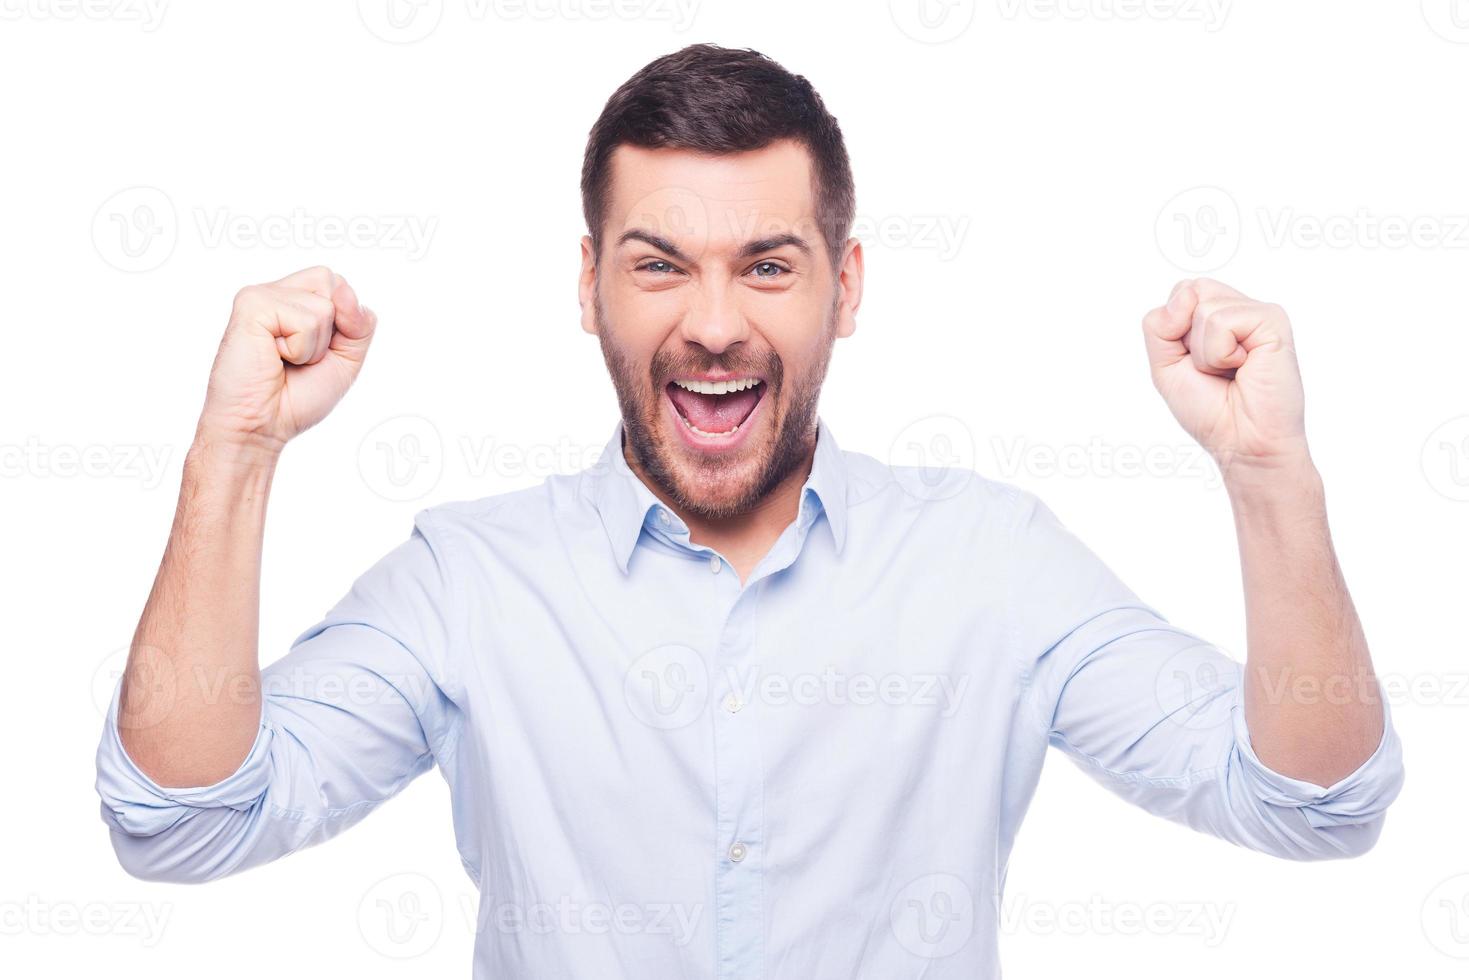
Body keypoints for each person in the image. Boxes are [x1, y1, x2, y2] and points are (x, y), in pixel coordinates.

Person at [94, 43, 1404, 978]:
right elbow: (184, 822)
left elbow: (1308, 803)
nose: (712, 325)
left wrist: (1265, 474)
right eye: (657, 265)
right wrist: (235, 449)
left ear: (843, 286)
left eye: (765, 267)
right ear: (589, 287)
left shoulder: (987, 563)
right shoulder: (468, 582)